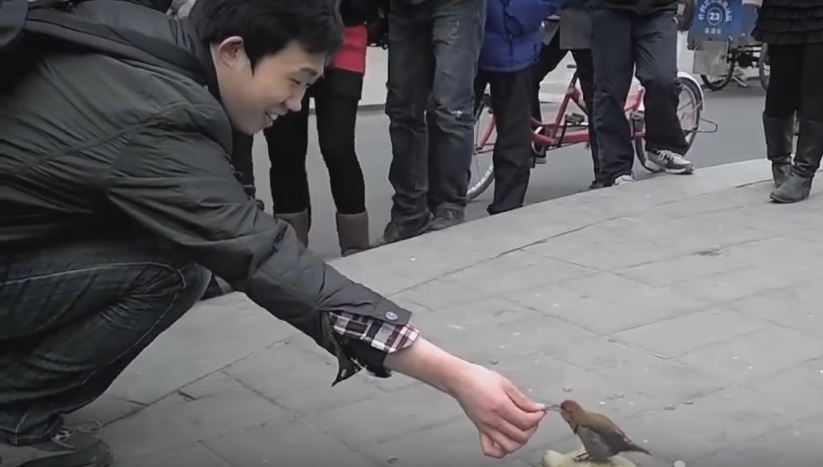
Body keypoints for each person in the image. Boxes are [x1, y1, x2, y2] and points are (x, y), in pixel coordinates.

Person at [0, 1, 548, 466]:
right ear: (233, 51)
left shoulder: (131, 38)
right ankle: (14, 415)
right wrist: (453, 375)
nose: (294, 105)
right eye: (296, 81)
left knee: (172, 247)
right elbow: (263, 256)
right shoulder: (155, 116)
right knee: (172, 271)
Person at [251, 3, 373, 256]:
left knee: (338, 147)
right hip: (287, 40)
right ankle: (291, 248)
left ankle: (357, 249)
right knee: (285, 150)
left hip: (345, 38)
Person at [377, 0, 488, 245]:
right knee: (403, 108)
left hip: (456, 5)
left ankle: (448, 206)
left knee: (451, 108)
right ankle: (409, 212)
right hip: (404, 7)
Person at [589, 0, 695, 187]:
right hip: (611, 10)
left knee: (662, 78)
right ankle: (616, 169)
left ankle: (662, 145)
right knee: (610, 91)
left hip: (659, 9)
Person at [474, 0, 560, 215]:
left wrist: (526, 13)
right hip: (466, 34)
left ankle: (507, 209)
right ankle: (443, 206)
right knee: (447, 124)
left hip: (515, 42)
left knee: (514, 132)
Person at [753, 0, 823, 203]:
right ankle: (780, 160)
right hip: (782, 9)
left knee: (818, 84)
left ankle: (803, 172)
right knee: (780, 86)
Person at [531, 0, 600, 189]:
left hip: (585, 23)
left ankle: (604, 172)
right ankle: (538, 137)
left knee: (596, 98)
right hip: (552, 23)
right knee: (525, 77)